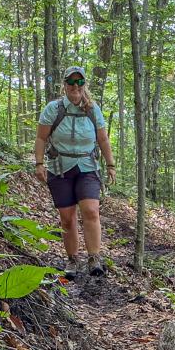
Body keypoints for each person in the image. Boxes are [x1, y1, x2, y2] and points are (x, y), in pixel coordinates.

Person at [34, 66, 116, 277]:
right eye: (71, 82)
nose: (75, 87)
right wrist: (39, 163)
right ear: (65, 85)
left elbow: (103, 139)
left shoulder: (92, 109)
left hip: (87, 167)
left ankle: (94, 258)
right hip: (59, 168)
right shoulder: (54, 109)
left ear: (84, 85)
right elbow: (42, 138)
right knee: (67, 218)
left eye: (79, 83)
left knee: (91, 210)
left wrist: (110, 164)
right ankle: (72, 260)